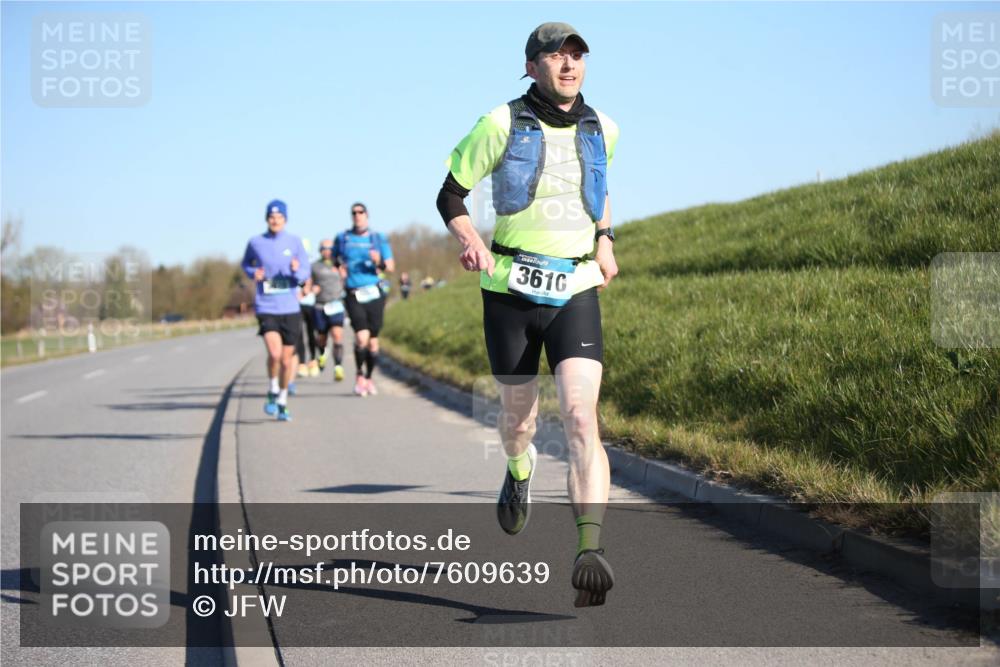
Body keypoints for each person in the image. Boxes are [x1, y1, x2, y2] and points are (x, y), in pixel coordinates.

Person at [436, 22, 620, 606]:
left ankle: (588, 548)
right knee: (520, 419)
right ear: (531, 65)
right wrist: (470, 238)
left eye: (576, 55)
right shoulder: (499, 123)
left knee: (581, 416)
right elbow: (450, 193)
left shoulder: (604, 128)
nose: (568, 64)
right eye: (555, 55)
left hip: (575, 286)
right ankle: (519, 470)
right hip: (510, 287)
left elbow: (600, 185)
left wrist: (606, 237)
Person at [241, 199, 311, 421]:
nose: (275, 220)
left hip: (290, 306)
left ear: (285, 219)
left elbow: (305, 272)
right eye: (271, 217)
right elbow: (246, 264)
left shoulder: (295, 242)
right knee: (274, 354)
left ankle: (281, 398)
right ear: (266, 219)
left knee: (287, 360)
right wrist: (254, 273)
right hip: (267, 305)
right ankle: (272, 387)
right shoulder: (256, 242)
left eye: (279, 217)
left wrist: (296, 271)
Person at [334, 202, 395, 396]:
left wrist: (378, 261)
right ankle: (359, 376)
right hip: (353, 293)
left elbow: (390, 267)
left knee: (373, 342)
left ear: (367, 215)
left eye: (361, 212)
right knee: (361, 337)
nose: (357, 215)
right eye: (354, 213)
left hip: (374, 293)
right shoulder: (343, 238)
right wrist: (340, 270)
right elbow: (336, 260)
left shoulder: (378, 239)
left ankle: (368, 378)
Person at [311, 238, 347, 382]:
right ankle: (322, 354)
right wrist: (310, 289)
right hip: (320, 305)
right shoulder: (314, 266)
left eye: (330, 248)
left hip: (336, 304)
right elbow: (307, 282)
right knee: (322, 337)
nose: (328, 251)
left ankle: (338, 367)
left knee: (338, 336)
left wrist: (344, 275)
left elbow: (348, 280)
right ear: (320, 250)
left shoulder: (340, 265)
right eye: (325, 248)